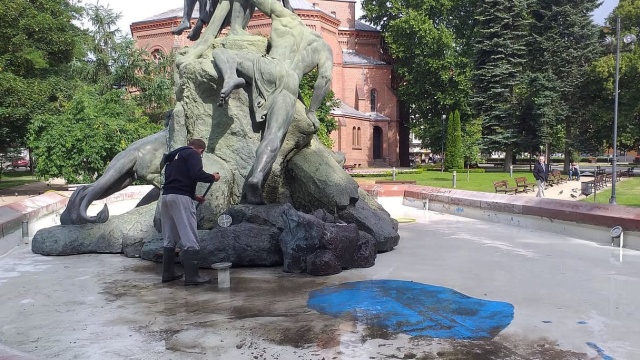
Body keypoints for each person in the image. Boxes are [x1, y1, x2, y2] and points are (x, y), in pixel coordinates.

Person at [211, 0, 332, 204]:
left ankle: (231, 75)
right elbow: (324, 80)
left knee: (221, 53)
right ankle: (257, 177)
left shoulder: (285, 18)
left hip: (268, 67)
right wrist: (311, 111)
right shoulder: (324, 47)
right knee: (274, 135)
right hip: (291, 82)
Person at [160, 138, 221, 285]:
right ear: (201, 150)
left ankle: (167, 273)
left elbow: (176, 180)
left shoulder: (173, 157)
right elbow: (197, 174)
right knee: (189, 236)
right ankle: (193, 277)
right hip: (180, 198)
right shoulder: (192, 154)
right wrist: (213, 177)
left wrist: (193, 196)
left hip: (167, 197)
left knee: (169, 237)